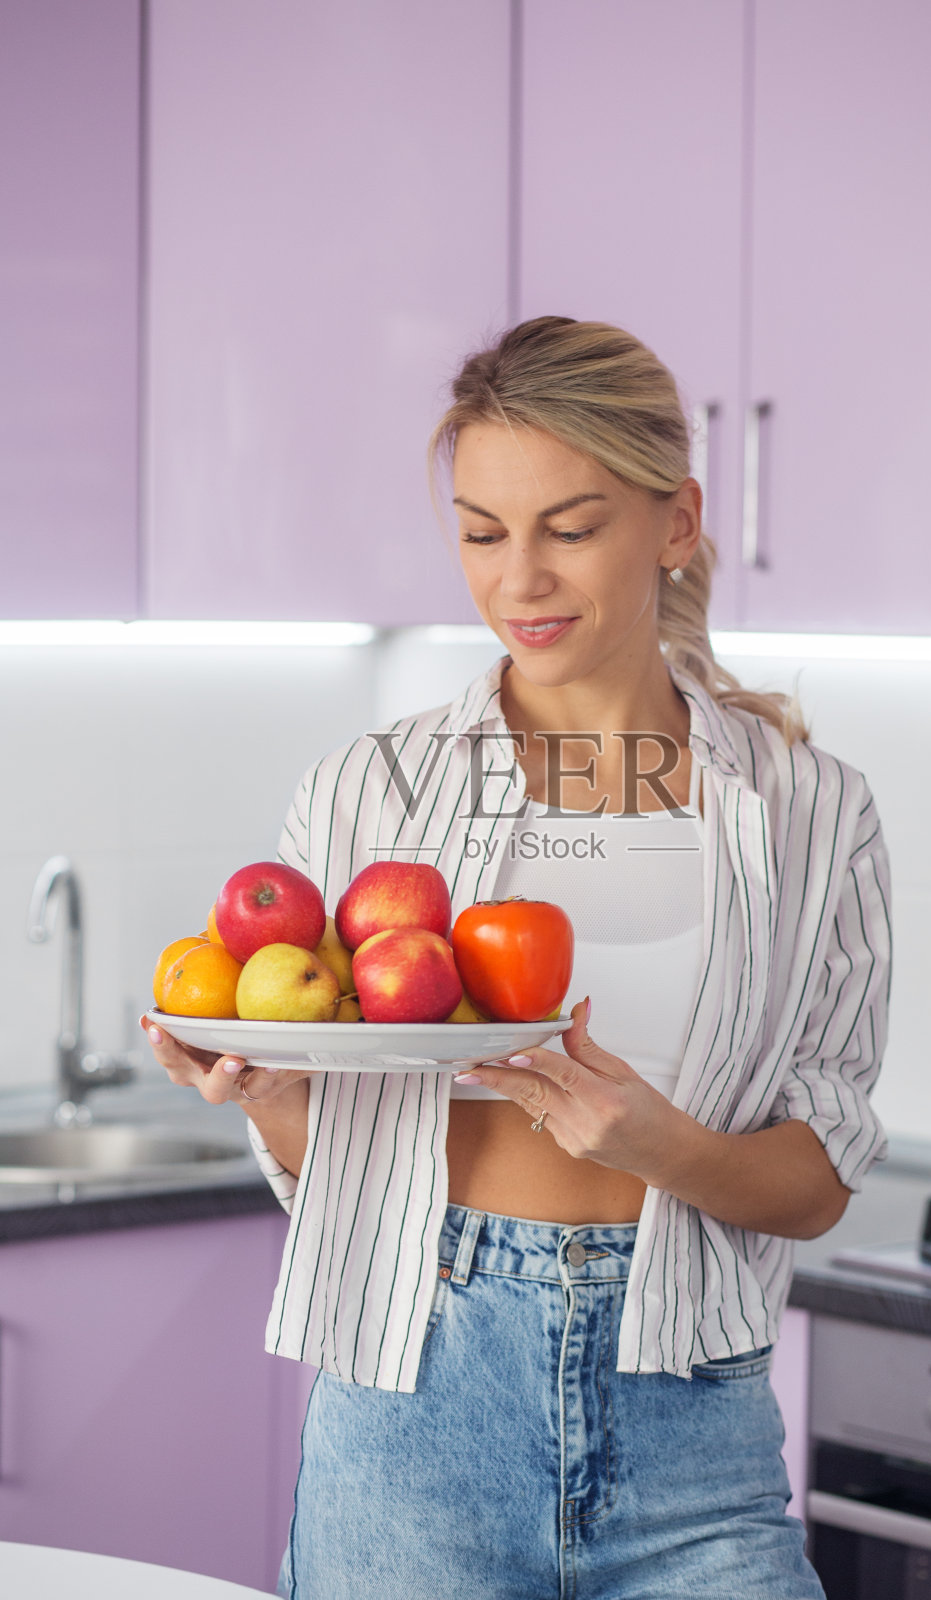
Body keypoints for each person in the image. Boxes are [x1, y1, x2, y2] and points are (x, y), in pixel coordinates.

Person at [143, 316, 891, 1599]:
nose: (520, 580)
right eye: (483, 532)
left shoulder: (806, 809)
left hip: (693, 1435)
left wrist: (652, 1141)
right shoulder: (370, 790)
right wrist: (268, 1097)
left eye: (570, 525)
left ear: (675, 520)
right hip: (418, 1404)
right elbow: (348, 1167)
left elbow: (816, 1184)